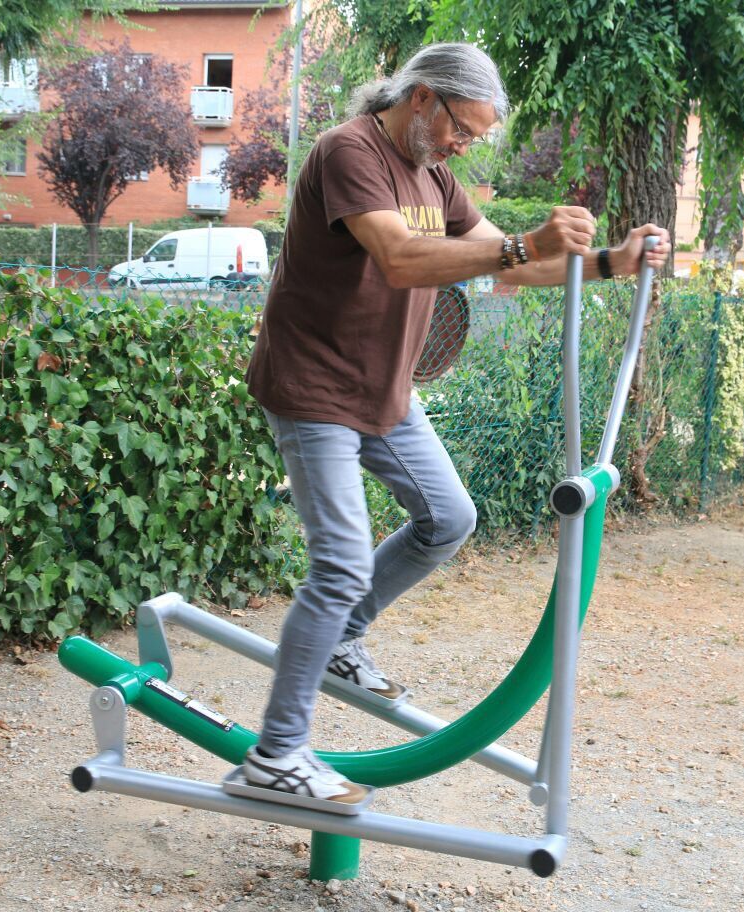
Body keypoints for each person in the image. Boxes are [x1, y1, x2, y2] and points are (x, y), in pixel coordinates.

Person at [241, 42, 670, 808]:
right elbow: (402, 259)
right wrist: (517, 243)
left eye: (472, 138)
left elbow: (505, 264)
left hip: (384, 391)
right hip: (314, 387)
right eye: (458, 129)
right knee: (338, 563)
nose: (461, 146)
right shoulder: (349, 151)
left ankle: (341, 638)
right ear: (422, 99)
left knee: (448, 518)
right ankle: (275, 756)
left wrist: (613, 261)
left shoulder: (434, 175)